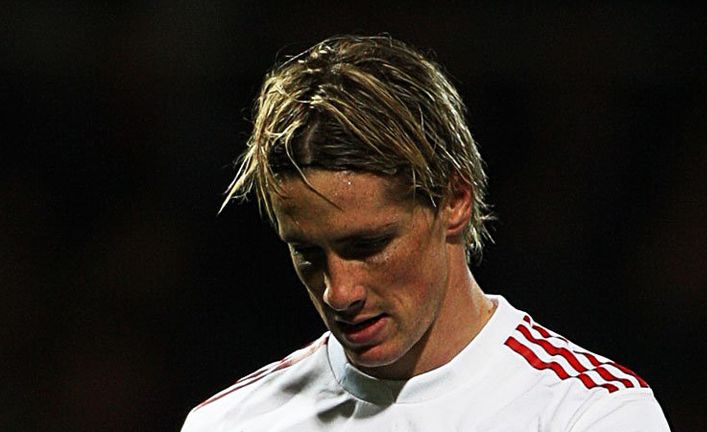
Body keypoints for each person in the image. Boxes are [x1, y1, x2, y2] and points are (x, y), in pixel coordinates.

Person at [181, 35, 670, 431]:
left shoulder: (591, 415)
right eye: (308, 253)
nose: (339, 292)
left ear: (455, 201)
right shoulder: (230, 423)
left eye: (368, 246)